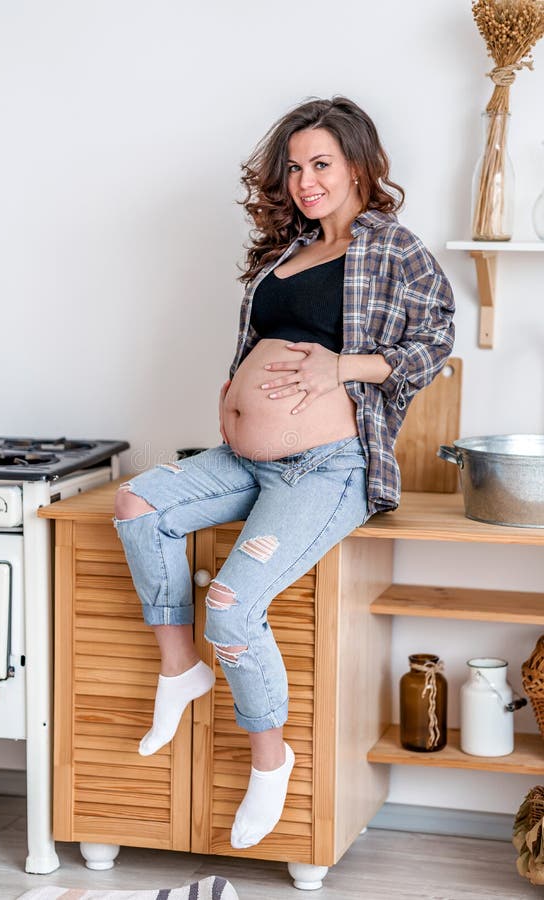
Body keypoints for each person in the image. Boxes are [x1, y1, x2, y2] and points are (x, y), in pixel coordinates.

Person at [113, 96, 455, 850]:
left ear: (360, 164)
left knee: (231, 607)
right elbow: (262, 341)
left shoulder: (392, 249)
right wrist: (236, 389)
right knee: (138, 502)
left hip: (326, 468)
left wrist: (344, 368)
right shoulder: (284, 253)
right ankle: (181, 670)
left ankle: (271, 761)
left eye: (321, 164)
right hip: (241, 457)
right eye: (295, 167)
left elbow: (435, 342)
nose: (305, 180)